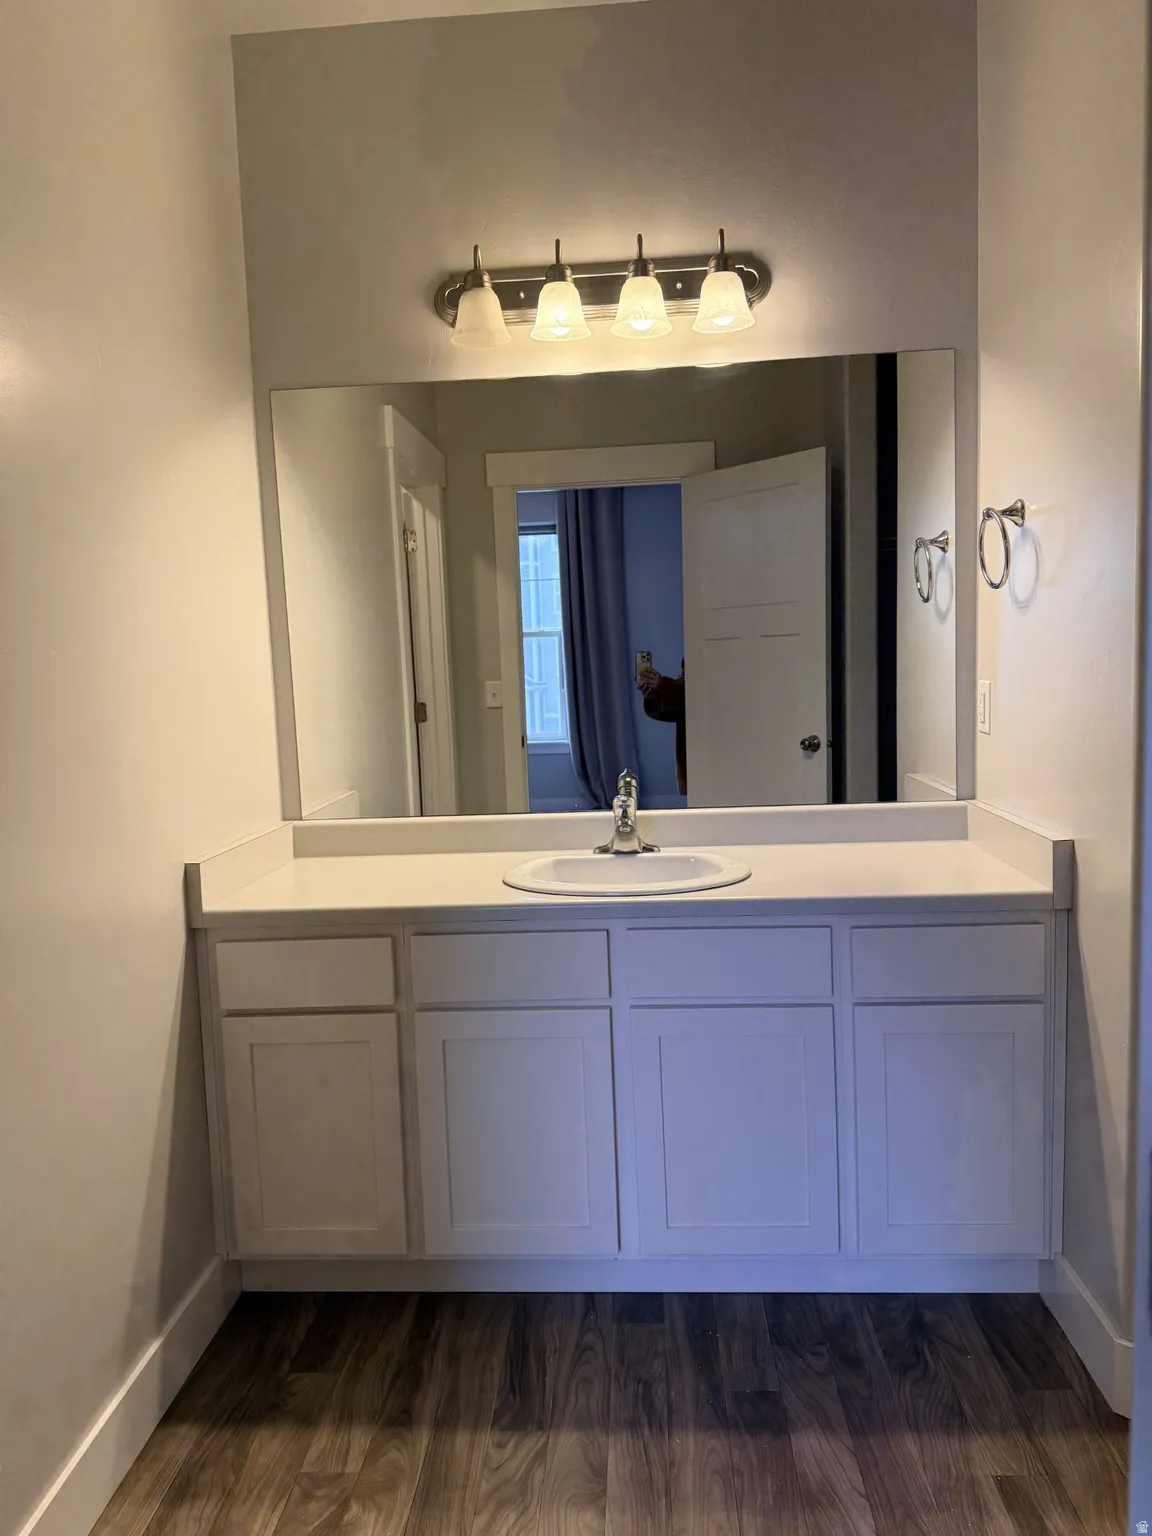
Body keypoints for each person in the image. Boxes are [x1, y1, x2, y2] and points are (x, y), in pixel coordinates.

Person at [637, 660, 687, 794]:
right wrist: (654, 695)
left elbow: (696, 695)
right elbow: (680, 709)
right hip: (693, 761)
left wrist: (663, 685)